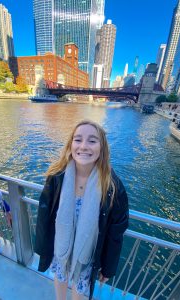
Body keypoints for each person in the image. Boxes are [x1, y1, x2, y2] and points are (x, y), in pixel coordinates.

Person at [35, 120, 129, 300]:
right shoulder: (56, 177)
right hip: (60, 247)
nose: (84, 146)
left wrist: (108, 267)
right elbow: (44, 216)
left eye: (92, 141)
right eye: (78, 140)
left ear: (102, 148)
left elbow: (116, 231)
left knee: (81, 286)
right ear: (71, 144)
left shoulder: (113, 187)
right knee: (60, 275)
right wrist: (42, 247)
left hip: (88, 255)